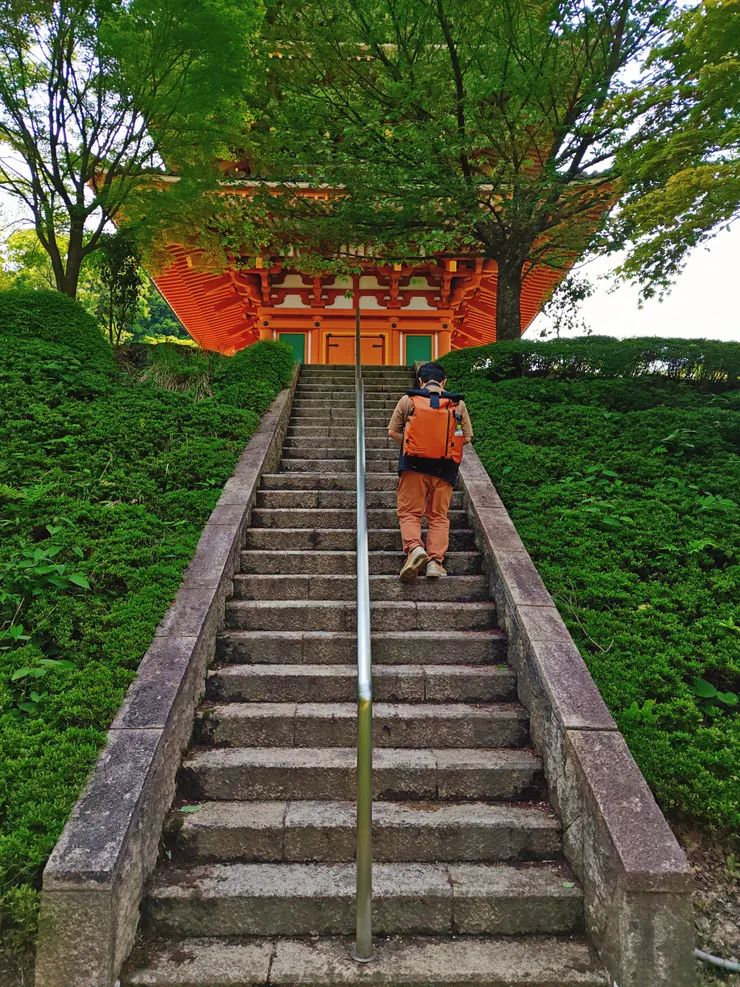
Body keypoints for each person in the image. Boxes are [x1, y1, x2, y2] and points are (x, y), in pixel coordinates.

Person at [387, 361, 473, 581]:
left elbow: (392, 431)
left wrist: (411, 446)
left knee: (409, 512)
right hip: (444, 470)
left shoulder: (409, 399)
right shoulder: (457, 404)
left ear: (420, 381)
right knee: (438, 517)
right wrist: (446, 449)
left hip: (413, 466)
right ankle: (435, 562)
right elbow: (467, 437)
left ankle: (415, 548)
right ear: (444, 382)